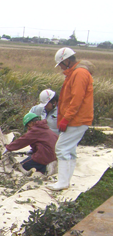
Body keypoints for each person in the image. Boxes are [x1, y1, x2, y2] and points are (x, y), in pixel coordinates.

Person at [48, 48, 94, 191]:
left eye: (61, 64)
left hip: (77, 119)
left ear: (67, 61)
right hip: (77, 118)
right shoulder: (75, 73)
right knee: (70, 150)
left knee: (61, 148)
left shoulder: (79, 73)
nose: (60, 67)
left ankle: (62, 182)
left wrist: (65, 119)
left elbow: (76, 99)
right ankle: (65, 181)